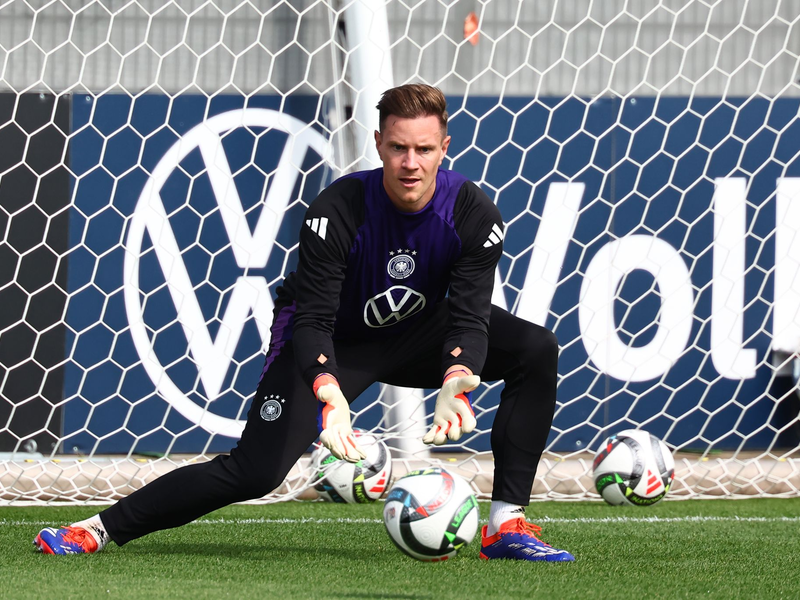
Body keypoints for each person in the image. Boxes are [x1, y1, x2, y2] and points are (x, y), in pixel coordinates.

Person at [34, 84, 574, 562]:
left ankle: (505, 525)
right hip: (330, 338)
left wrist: (457, 379)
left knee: (535, 347)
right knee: (256, 471)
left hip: (418, 331)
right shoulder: (337, 209)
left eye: (424, 150)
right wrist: (330, 393)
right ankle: (96, 529)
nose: (411, 162)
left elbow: (469, 315)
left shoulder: (474, 216)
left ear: (444, 150)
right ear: (380, 144)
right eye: (398, 148)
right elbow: (313, 317)